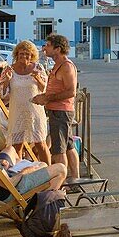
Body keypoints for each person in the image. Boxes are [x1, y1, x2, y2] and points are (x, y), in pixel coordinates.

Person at [31, 34, 80, 180]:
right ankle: (75, 179)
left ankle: (61, 184)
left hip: (61, 112)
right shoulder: (58, 66)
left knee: (59, 151)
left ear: (57, 49)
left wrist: (46, 98)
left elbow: (71, 91)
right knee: (69, 146)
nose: (44, 48)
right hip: (58, 111)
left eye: (48, 45)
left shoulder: (66, 66)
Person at [0, 118, 66, 199]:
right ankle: (42, 204)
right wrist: (24, 172)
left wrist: (0, 162)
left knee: (11, 149)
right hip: (9, 191)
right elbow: (10, 184)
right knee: (60, 169)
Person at [0, 40, 50, 165]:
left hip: (34, 112)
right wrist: (7, 81)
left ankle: (49, 172)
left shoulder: (38, 68)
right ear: (17, 55)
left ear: (32, 55)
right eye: (21, 54)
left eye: (27, 54)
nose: (24, 57)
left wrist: (37, 78)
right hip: (17, 112)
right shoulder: (9, 69)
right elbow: (2, 94)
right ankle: (17, 174)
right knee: (17, 146)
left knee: (41, 144)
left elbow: (45, 89)